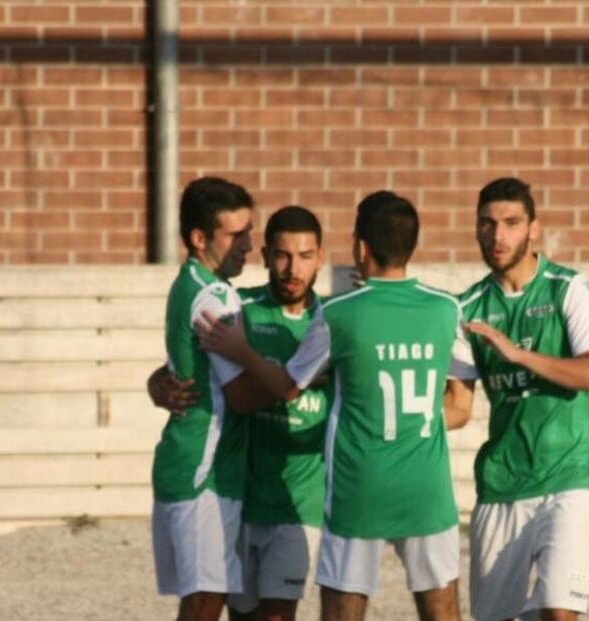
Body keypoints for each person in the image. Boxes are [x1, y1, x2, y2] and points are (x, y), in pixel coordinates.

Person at [196, 191, 473, 621]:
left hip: (356, 489)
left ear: (358, 247)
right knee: (442, 612)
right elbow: (461, 402)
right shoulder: (445, 308)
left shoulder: (339, 313)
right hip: (427, 490)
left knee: (341, 609)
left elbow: (288, 386)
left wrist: (243, 352)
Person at [150, 205, 331, 621]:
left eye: (305, 256)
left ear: (321, 257)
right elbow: (186, 364)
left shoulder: (332, 322)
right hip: (239, 490)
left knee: (275, 615)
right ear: (265, 255)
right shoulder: (238, 308)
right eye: (282, 255)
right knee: (235, 611)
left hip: (296, 500)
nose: (292, 268)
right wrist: (158, 385)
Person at [450, 177, 589, 621]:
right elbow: (458, 409)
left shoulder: (567, 289)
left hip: (571, 480)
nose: (497, 235)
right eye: (487, 224)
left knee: (558, 615)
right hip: (502, 484)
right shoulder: (467, 309)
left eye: (510, 223)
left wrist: (519, 355)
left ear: (533, 229)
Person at [150, 176, 255, 621]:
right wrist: (301, 380)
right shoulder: (214, 296)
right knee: (206, 599)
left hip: (200, 462)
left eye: (248, 232)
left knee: (212, 595)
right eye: (235, 235)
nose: (247, 246)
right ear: (199, 238)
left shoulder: (190, 283)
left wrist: (157, 383)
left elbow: (178, 368)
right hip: (202, 467)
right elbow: (241, 394)